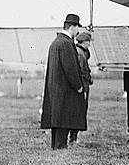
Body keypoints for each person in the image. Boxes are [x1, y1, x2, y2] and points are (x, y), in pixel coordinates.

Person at [40, 13, 85, 150]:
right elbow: (70, 68)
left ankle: (56, 145)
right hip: (65, 89)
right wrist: (78, 86)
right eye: (77, 27)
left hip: (55, 88)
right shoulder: (66, 44)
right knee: (65, 118)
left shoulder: (56, 42)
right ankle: (60, 146)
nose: (78, 31)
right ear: (73, 27)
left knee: (57, 119)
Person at [69, 30, 93, 146]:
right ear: (84, 42)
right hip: (82, 85)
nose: (89, 44)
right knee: (79, 111)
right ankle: (73, 138)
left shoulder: (81, 52)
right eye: (88, 42)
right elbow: (81, 71)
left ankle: (73, 137)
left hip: (84, 84)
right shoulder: (80, 54)